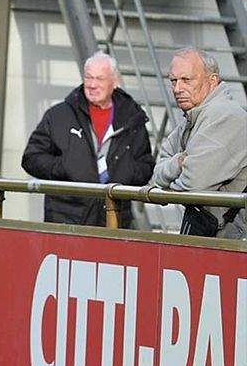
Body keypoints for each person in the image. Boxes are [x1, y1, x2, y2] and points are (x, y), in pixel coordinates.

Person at [22, 51, 153, 227]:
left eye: (100, 78)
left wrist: (125, 173)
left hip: (114, 218)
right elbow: (31, 158)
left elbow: (145, 165)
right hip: (66, 218)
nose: (92, 84)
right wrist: (65, 167)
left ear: (114, 82)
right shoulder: (59, 115)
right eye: (88, 78)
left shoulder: (132, 118)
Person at [152, 47, 247, 239]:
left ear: (212, 81)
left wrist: (171, 182)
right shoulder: (193, 117)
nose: (178, 89)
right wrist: (179, 161)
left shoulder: (226, 115)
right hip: (210, 230)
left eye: (186, 80)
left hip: (229, 238)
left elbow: (192, 185)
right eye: (173, 81)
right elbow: (157, 174)